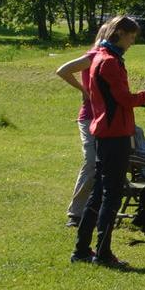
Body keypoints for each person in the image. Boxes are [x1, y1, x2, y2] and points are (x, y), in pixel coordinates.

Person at [72, 15, 145, 268]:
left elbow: (120, 98)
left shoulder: (100, 58)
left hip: (106, 133)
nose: (132, 42)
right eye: (131, 36)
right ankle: (103, 255)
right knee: (111, 196)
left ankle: (82, 250)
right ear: (119, 34)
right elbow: (125, 100)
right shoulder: (109, 62)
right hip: (114, 135)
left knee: (97, 195)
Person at [56, 51, 96, 227]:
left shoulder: (116, 58)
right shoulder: (94, 56)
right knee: (92, 161)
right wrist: (83, 89)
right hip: (90, 117)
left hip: (110, 119)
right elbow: (63, 70)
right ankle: (76, 213)